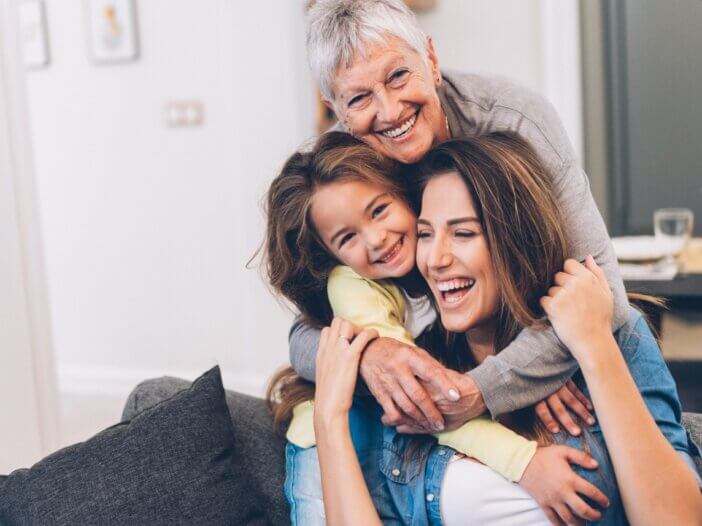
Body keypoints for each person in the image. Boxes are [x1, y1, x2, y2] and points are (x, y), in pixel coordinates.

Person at [310, 132, 701, 525]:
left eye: (464, 233)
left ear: (517, 239)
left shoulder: (614, 337)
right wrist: (329, 419)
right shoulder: (418, 373)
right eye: (426, 234)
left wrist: (593, 345)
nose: (436, 259)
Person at [290, 0, 627, 438]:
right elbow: (302, 336)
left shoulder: (514, 120)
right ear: (336, 108)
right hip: (441, 364)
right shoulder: (338, 170)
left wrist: (487, 386)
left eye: (397, 76)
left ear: (431, 59)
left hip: (542, 357)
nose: (390, 111)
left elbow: (606, 299)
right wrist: (369, 354)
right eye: (359, 98)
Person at [265, 131, 609, 525]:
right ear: (330, 255)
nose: (376, 240)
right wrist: (524, 462)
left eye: (378, 210)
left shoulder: (441, 266)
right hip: (326, 429)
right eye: (347, 238)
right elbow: (425, 399)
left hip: (394, 428)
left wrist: (541, 373)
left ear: (404, 194)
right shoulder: (352, 285)